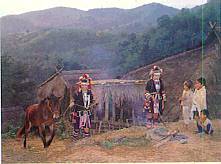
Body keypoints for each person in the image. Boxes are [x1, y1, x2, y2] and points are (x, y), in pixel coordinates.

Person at [70, 74, 94, 141]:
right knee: (76, 126)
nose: (84, 86)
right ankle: (74, 138)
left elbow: (92, 101)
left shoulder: (90, 93)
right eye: (83, 85)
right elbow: (74, 101)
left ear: (87, 85)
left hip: (87, 112)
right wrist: (72, 104)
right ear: (80, 85)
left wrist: (93, 103)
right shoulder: (77, 93)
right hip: (78, 112)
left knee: (86, 125)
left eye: (85, 85)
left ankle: (86, 139)